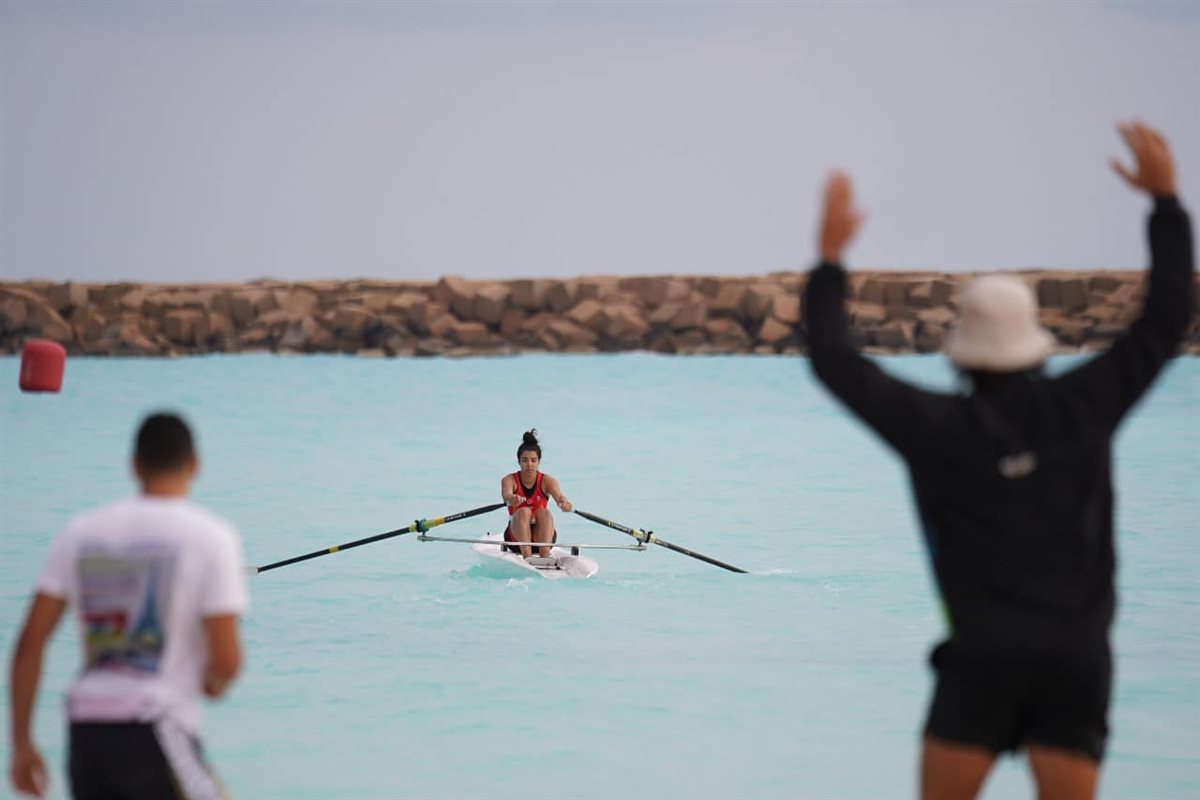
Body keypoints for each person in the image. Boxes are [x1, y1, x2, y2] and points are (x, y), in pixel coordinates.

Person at [802, 121, 1194, 800]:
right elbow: (1165, 319)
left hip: (981, 660)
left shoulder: (936, 428)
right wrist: (1165, 205)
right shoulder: (1087, 406)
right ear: (1036, 347)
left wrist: (831, 260)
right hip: (1077, 660)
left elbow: (835, 362)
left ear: (962, 352)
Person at [8, 412, 248, 800]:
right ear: (194, 464)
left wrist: (21, 742)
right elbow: (227, 660)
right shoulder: (211, 537)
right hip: (155, 724)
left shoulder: (81, 532)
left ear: (134, 465)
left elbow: (29, 643)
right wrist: (212, 683)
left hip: (85, 734)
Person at [501, 429, 572, 559]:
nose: (529, 464)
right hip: (516, 538)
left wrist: (564, 503)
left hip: (543, 537)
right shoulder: (509, 480)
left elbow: (560, 498)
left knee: (545, 513)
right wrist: (512, 498)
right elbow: (507, 494)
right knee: (524, 512)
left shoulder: (547, 481)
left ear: (539, 461)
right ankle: (527, 557)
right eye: (525, 460)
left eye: (533, 460)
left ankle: (544, 557)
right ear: (519, 461)